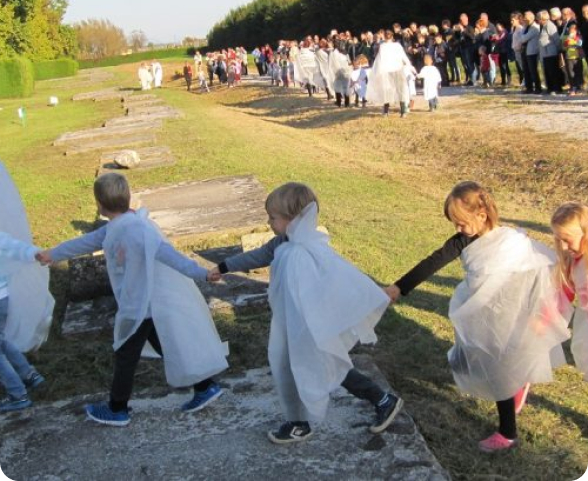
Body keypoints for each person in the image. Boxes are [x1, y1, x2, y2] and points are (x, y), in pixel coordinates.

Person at [208, 182, 403, 445]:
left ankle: (307, 420)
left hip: (311, 324)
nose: (268, 222)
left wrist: (369, 296)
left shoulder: (310, 249)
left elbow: (338, 278)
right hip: (291, 322)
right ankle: (376, 401)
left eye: (273, 218)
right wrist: (223, 266)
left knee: (317, 365)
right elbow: (258, 256)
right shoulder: (282, 242)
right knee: (309, 365)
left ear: (293, 218)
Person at [386, 181, 569, 453]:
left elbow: (542, 265)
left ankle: (507, 433)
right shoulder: (463, 240)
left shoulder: (511, 243)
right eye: (455, 224)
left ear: (481, 215)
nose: (457, 229)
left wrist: (541, 314)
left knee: (497, 368)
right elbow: (434, 260)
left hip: (508, 316)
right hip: (482, 311)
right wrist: (399, 287)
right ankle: (516, 382)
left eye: (461, 223)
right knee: (467, 359)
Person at [38, 173, 228, 426]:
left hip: (139, 307)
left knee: (125, 355)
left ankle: (117, 408)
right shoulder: (123, 226)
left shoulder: (137, 230)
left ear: (99, 205)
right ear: (127, 197)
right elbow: (86, 242)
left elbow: (170, 256)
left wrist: (203, 274)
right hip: (146, 305)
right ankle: (204, 386)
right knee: (165, 345)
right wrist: (53, 254)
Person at [0, 162, 53, 413]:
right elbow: (11, 245)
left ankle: (17, 394)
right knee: (1, 342)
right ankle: (28, 374)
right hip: (4, 297)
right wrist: (34, 253)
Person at [550, 202, 588, 380]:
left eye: (567, 239)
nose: (563, 247)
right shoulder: (571, 262)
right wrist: (545, 321)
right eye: (559, 240)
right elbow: (562, 296)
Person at [366, 30, 414, 117]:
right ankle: (403, 111)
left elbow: (379, 60)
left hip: (387, 71)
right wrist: (410, 66)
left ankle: (386, 112)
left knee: (387, 90)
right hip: (397, 70)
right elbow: (404, 57)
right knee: (401, 90)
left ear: (385, 37)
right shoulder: (397, 45)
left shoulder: (383, 46)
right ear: (392, 37)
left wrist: (377, 72)